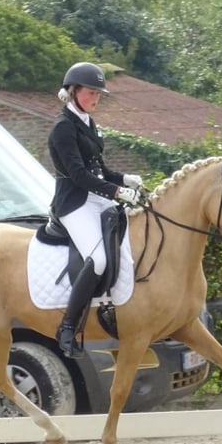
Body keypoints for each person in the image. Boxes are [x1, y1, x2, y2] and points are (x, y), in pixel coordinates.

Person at [48, 62, 143, 358]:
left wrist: (124, 179)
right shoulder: (63, 127)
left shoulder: (88, 122)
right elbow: (78, 175)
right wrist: (116, 191)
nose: (96, 98)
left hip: (96, 198)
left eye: (98, 94)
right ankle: (67, 328)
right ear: (73, 91)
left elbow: (98, 169)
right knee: (98, 259)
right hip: (74, 203)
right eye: (91, 93)